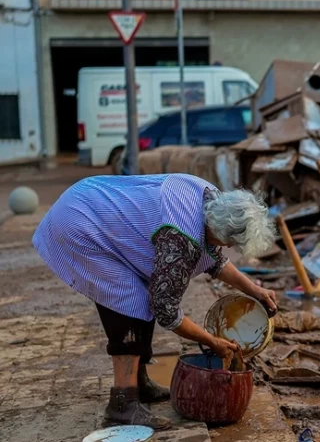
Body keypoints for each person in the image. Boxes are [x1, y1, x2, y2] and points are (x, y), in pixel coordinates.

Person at [32, 174, 278, 429]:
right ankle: (122, 408)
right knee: (128, 303)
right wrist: (211, 341)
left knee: (143, 298)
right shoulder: (180, 240)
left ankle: (139, 383)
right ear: (225, 233)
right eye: (230, 243)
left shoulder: (210, 198)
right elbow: (167, 312)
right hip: (81, 225)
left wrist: (255, 290)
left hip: (90, 199)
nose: (227, 247)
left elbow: (212, 257)